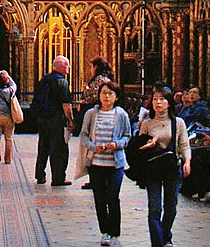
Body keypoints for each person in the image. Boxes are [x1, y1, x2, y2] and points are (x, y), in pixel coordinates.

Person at [77, 79, 132, 246]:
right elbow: (83, 135)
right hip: (96, 163)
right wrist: (94, 147)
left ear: (116, 97)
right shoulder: (91, 114)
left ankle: (115, 231)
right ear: (99, 96)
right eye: (104, 93)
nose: (106, 96)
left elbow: (127, 136)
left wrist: (117, 144)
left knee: (112, 197)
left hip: (115, 164)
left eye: (110, 93)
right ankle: (105, 231)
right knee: (100, 198)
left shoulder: (121, 114)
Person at [137, 83, 191, 247]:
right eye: (155, 99)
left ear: (168, 102)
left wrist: (187, 161)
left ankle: (166, 235)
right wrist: (148, 145)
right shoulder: (147, 123)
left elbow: (184, 144)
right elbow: (138, 148)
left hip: (171, 168)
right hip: (153, 168)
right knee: (154, 208)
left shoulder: (178, 122)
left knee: (171, 207)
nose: (158, 103)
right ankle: (157, 242)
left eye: (162, 99)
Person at [32, 55, 74, 187]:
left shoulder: (44, 79)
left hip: (43, 118)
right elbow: (66, 104)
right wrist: (71, 120)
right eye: (66, 65)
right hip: (57, 118)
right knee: (58, 148)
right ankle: (58, 177)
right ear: (60, 67)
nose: (68, 68)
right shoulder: (62, 82)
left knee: (43, 145)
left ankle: (40, 175)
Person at [0, 70, 18, 165]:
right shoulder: (10, 91)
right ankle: (8, 159)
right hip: (8, 117)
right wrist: (7, 76)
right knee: (9, 138)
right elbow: (14, 85)